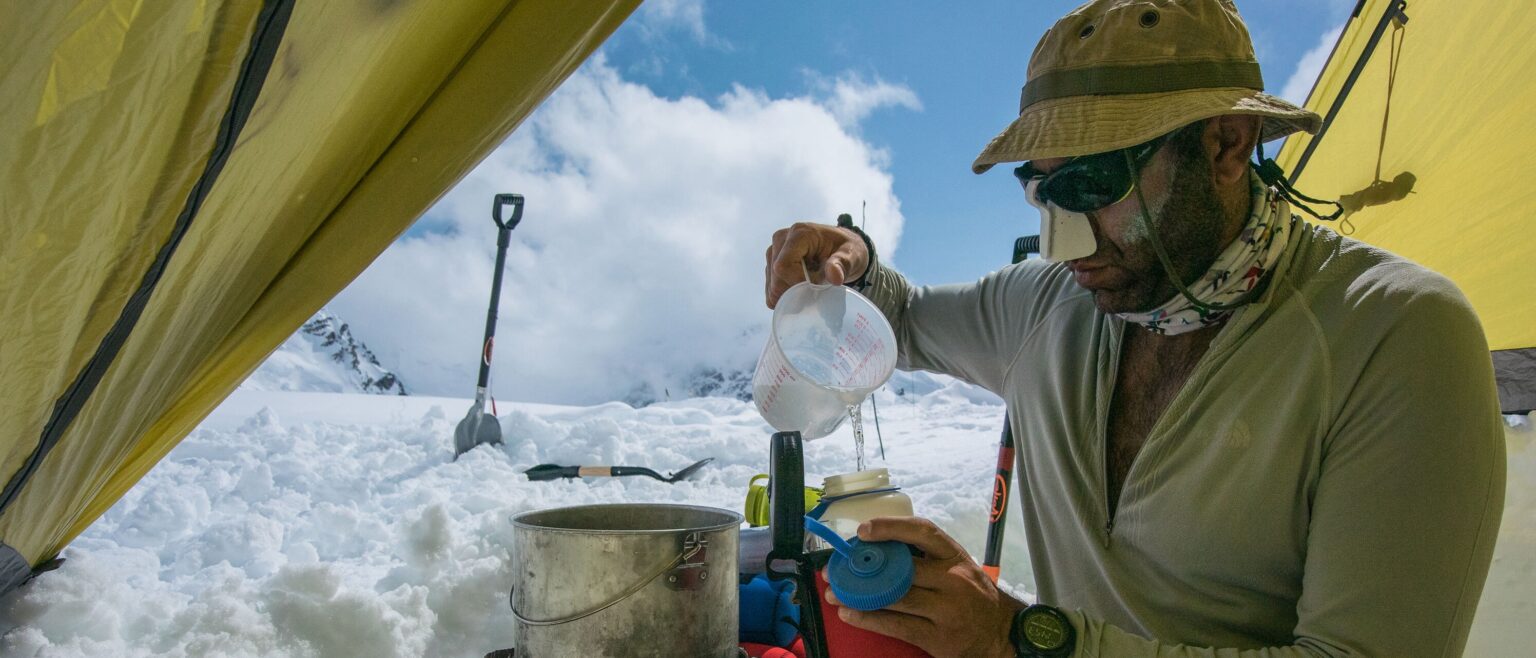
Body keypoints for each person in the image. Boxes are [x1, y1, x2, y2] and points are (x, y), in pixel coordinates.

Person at [762, 1, 1506, 656]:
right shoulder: (1043, 306)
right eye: (1042, 191)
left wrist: (1014, 639)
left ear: (1225, 144)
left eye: (1091, 185)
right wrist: (852, 264)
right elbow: (904, 319)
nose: (1062, 245)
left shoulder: (1396, 334)